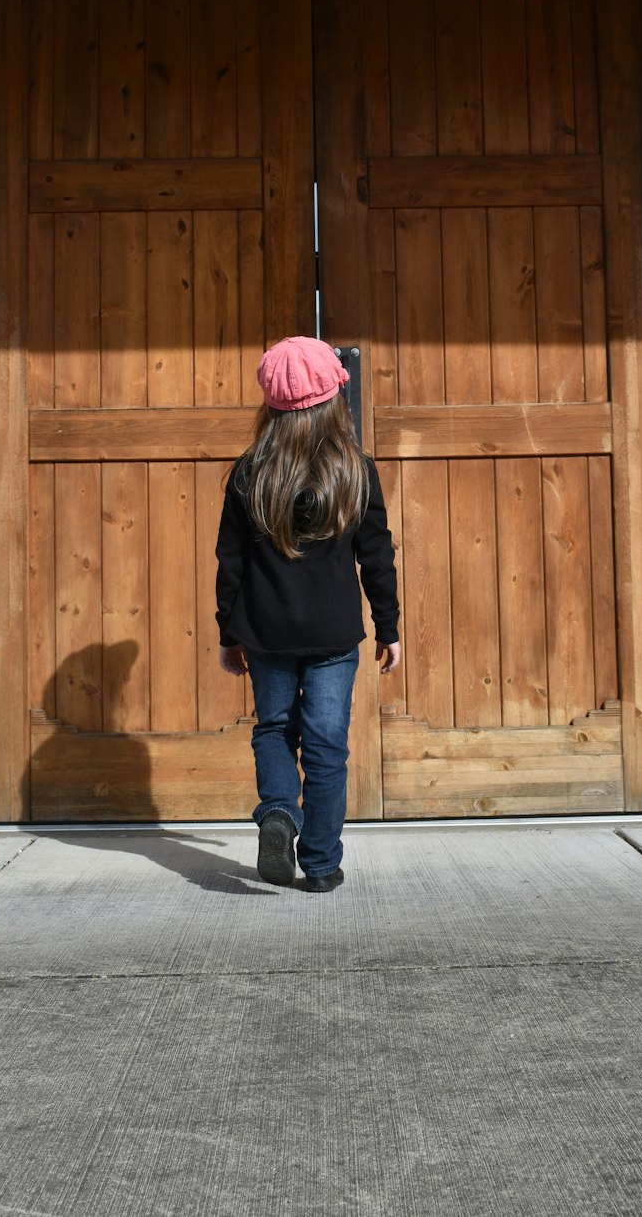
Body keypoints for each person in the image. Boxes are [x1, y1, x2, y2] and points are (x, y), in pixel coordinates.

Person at [215, 335, 401, 894]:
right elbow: (377, 557)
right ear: (332, 401)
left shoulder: (251, 473)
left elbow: (231, 563)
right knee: (326, 746)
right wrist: (389, 628)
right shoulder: (355, 472)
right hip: (333, 638)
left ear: (270, 404)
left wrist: (230, 633)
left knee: (274, 730)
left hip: (267, 634)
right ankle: (320, 865)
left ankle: (278, 812)